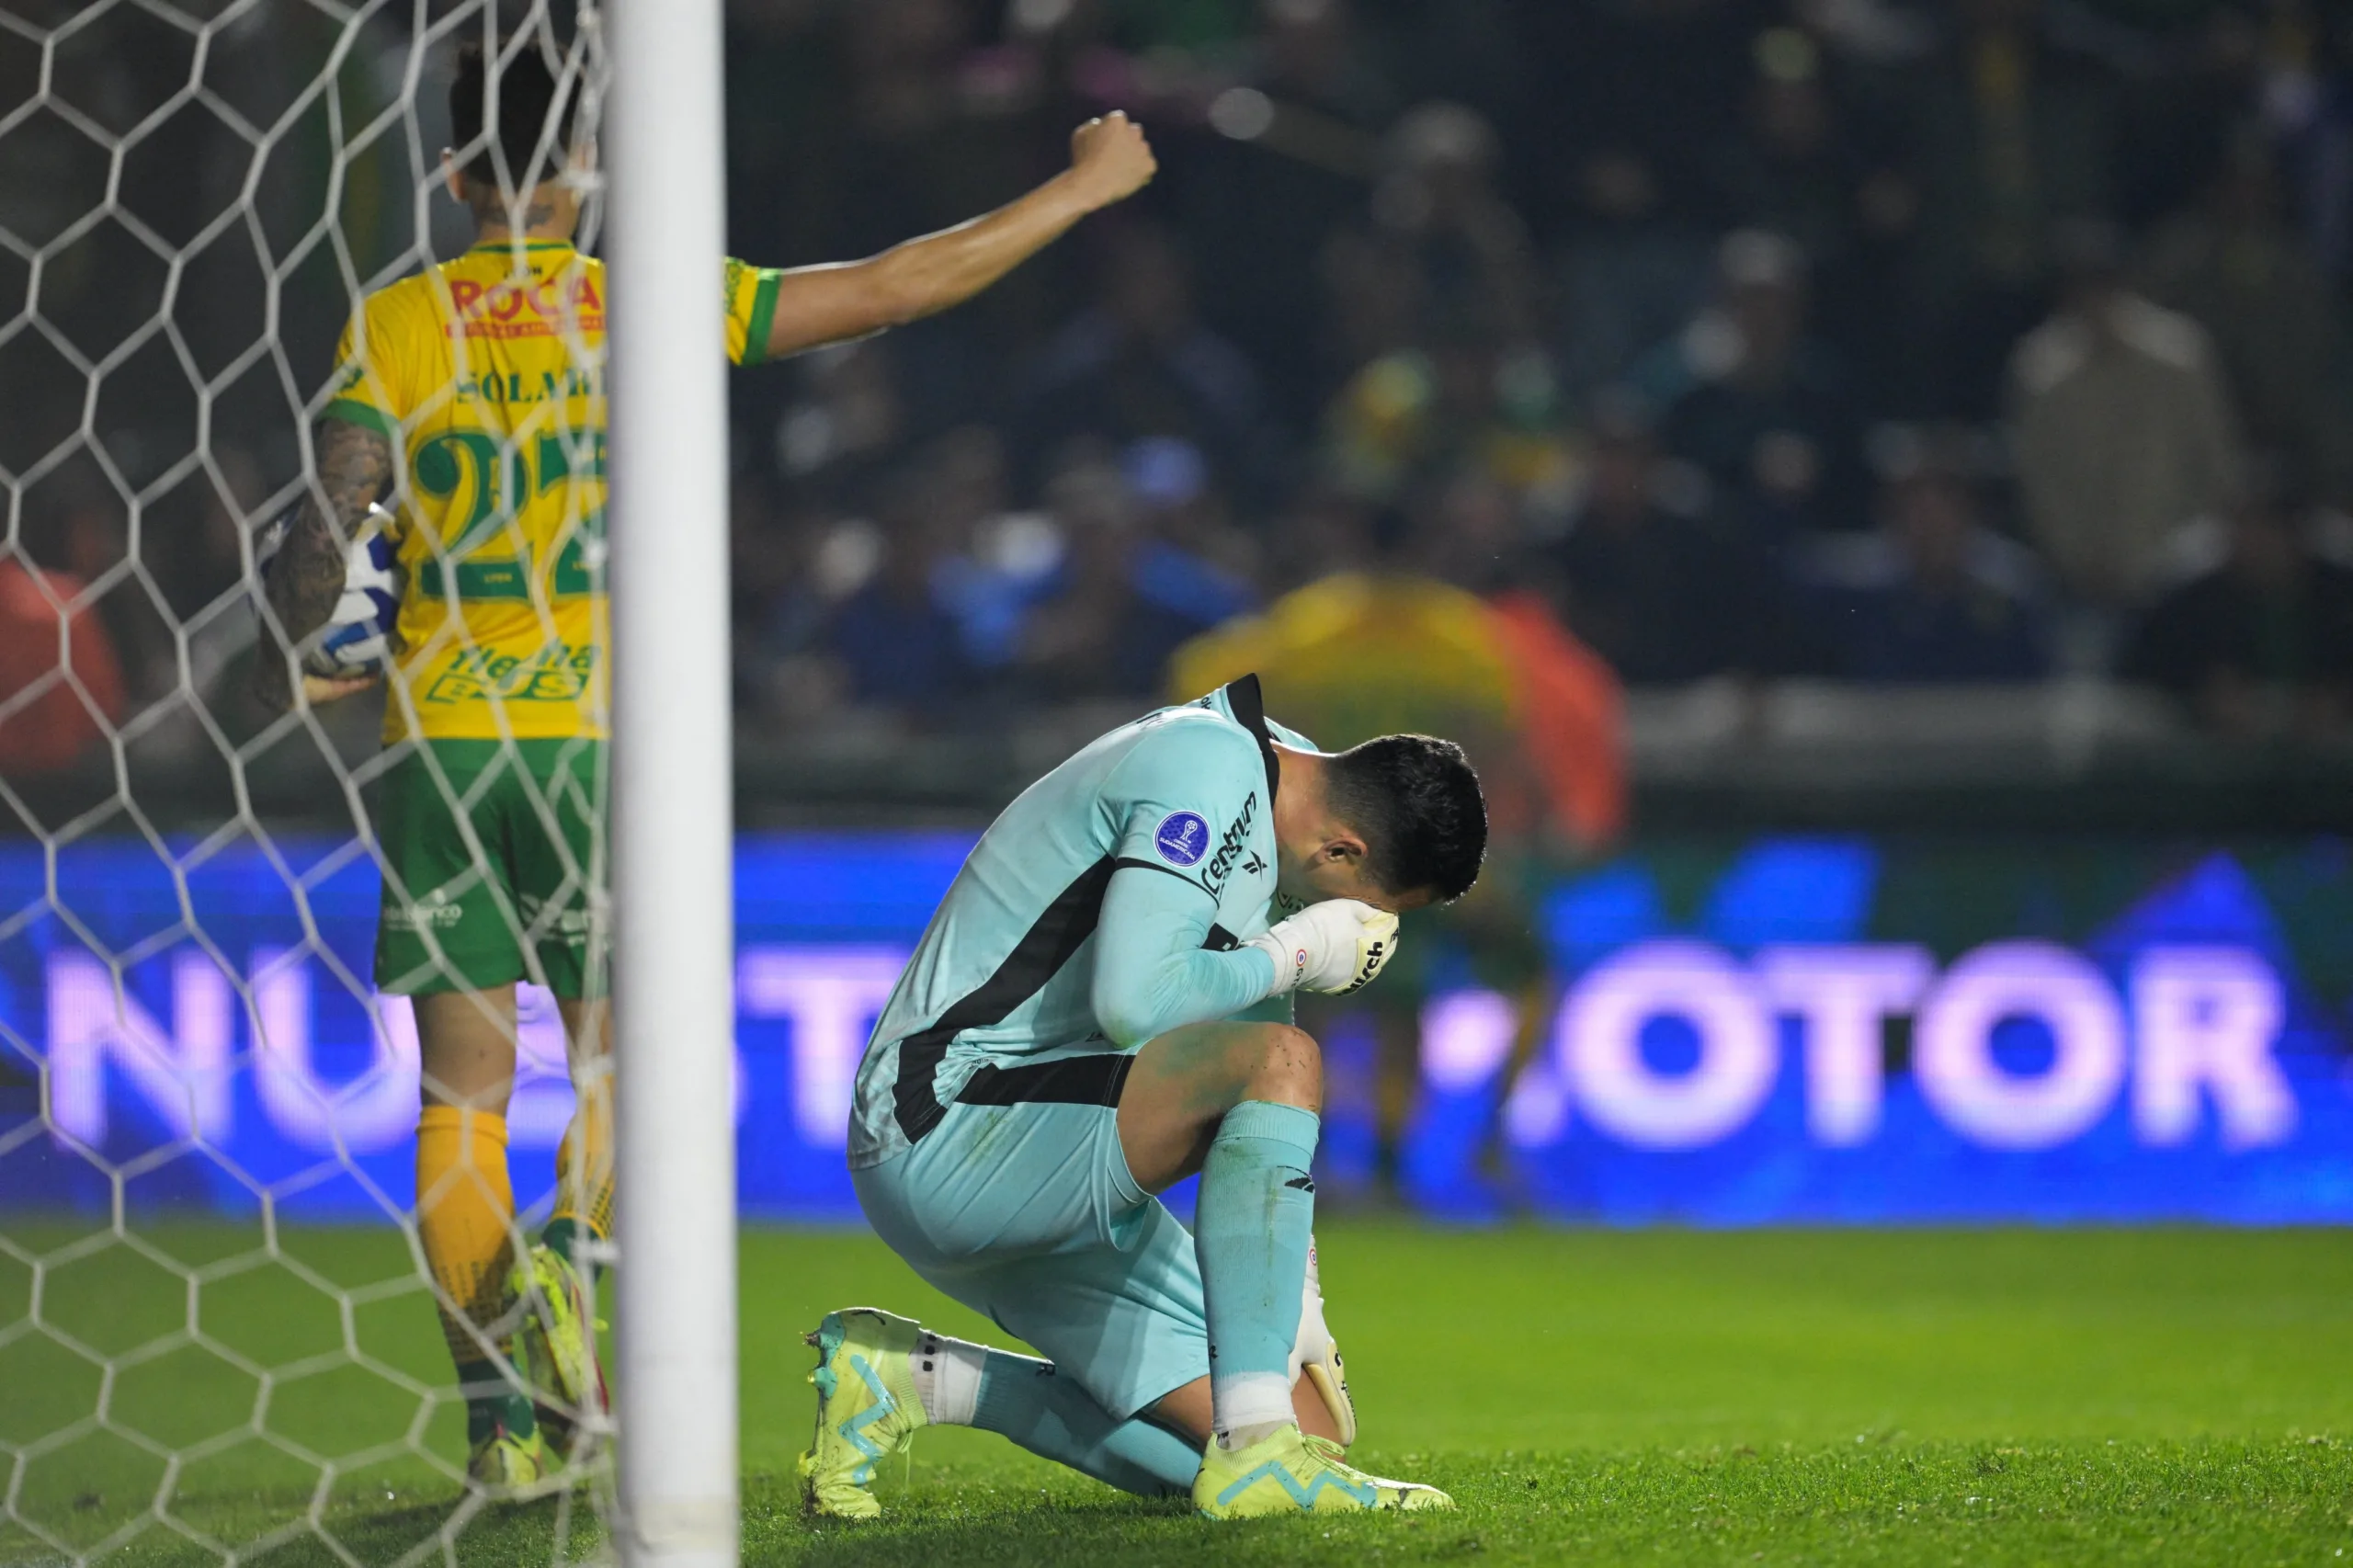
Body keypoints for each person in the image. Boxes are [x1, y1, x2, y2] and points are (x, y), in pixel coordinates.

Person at [252, 35, 1157, 1490]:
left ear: (452, 169)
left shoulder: (399, 320)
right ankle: (567, 1261)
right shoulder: (650, 303)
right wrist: (1077, 189)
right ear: (593, 165)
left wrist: (317, 636)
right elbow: (900, 284)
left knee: (459, 1101)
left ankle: (507, 1435)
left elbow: (322, 533)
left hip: (445, 743)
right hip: (610, 752)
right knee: (628, 1067)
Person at [800, 676, 1484, 1518]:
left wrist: (1295, 1290)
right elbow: (1134, 1002)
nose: (1363, 935)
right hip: (946, 1121)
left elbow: (1242, 1059)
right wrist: (1295, 953)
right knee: (1284, 1060)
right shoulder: (1205, 768)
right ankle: (1257, 1449)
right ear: (1341, 852)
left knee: (1303, 1424)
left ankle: (913, 1378)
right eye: (1373, 912)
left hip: (1049, 1140)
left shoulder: (1278, 794)